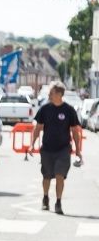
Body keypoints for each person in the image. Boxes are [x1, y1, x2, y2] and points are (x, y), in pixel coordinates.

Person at [31, 81, 83, 214]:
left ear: (59, 94)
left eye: (51, 92)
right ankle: (45, 197)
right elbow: (38, 128)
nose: (49, 94)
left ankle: (58, 202)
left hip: (63, 150)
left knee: (60, 175)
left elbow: (75, 132)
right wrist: (32, 144)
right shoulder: (45, 109)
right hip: (47, 149)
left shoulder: (69, 110)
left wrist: (78, 151)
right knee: (46, 176)